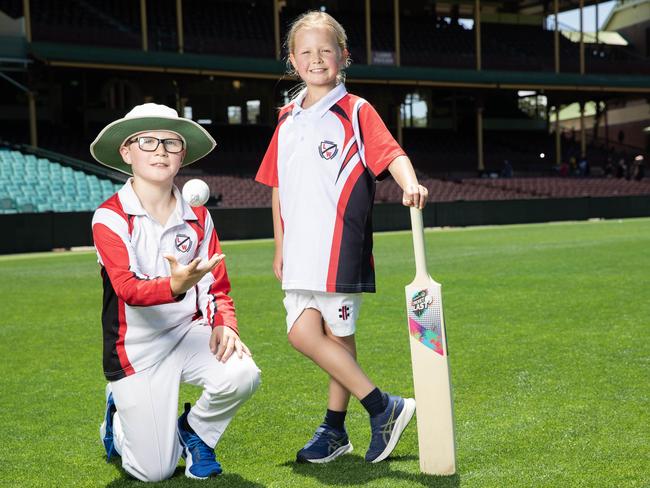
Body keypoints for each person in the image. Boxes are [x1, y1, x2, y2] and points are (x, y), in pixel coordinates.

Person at [255, 11, 428, 464]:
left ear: (343, 57)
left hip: (340, 249)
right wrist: (279, 246)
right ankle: (380, 407)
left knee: (336, 335)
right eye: (306, 52)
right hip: (297, 252)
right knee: (303, 333)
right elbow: (277, 186)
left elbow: (391, 153)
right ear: (292, 60)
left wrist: (409, 182)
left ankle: (335, 428)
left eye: (325, 51)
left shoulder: (356, 110)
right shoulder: (287, 118)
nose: (316, 59)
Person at [90, 103, 261, 482]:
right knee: (154, 472)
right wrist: (175, 285)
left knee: (243, 373)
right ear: (126, 152)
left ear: (182, 154)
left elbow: (217, 286)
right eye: (147, 141)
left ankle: (195, 429)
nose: (160, 150)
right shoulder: (110, 217)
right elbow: (127, 289)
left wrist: (226, 325)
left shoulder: (199, 217)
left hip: (187, 335)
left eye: (171, 142)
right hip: (136, 350)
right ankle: (117, 420)